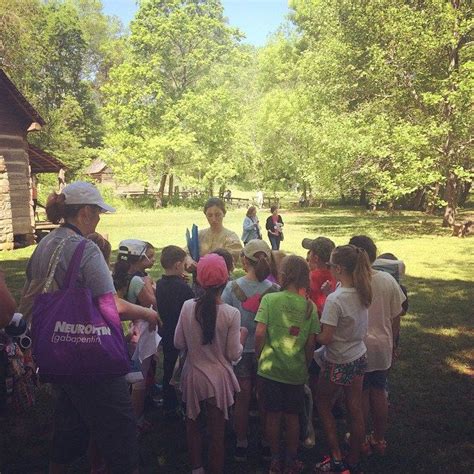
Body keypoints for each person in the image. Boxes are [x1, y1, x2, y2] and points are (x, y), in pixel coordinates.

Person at [22, 181, 159, 474]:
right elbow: (111, 306)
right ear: (84, 212)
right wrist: (147, 314)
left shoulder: (44, 244)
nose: (98, 219)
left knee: (69, 424)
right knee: (122, 434)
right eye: (97, 212)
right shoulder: (87, 250)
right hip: (89, 355)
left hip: (56, 350)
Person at [174, 254, 247, 474]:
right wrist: (242, 337)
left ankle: (197, 468)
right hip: (218, 380)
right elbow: (234, 354)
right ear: (226, 281)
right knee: (218, 434)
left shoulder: (188, 307)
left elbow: (178, 342)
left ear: (197, 281)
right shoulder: (231, 313)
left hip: (193, 376)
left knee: (192, 426)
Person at [255, 255, 320, 474]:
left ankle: (274, 459)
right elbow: (311, 344)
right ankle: (291, 462)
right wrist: (306, 363)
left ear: (283, 276)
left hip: (269, 369)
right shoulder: (309, 307)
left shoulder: (269, 300)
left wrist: (259, 355)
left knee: (272, 415)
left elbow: (260, 333)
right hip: (296, 372)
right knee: (293, 417)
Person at [313, 245, 372, 473]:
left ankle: (336, 455)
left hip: (338, 360)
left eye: (330, 265)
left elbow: (326, 338)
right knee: (354, 407)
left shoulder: (336, 300)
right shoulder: (362, 290)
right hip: (358, 356)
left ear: (338, 268)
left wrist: (312, 331)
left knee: (323, 403)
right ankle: (354, 457)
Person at [348, 236, 406, 456]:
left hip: (357, 347)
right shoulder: (387, 280)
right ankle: (379, 439)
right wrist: (393, 342)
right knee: (379, 390)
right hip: (382, 346)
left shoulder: (349, 282)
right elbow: (396, 316)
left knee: (361, 394)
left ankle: (361, 440)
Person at [222, 239, 277, 463]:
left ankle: (241, 443)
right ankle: (266, 442)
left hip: (240, 351)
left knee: (242, 399)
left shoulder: (231, 287)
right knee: (264, 399)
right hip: (266, 352)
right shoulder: (275, 290)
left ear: (245, 260)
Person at [112, 239, 159, 430]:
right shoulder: (138, 280)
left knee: (127, 375)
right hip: (139, 330)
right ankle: (135, 421)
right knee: (139, 379)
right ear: (140, 258)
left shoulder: (114, 276)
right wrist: (149, 284)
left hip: (122, 330)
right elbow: (152, 303)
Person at [155, 245, 194, 417]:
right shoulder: (183, 289)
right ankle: (180, 401)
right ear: (178, 265)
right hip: (180, 333)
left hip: (166, 331)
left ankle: (168, 401)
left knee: (168, 366)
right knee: (180, 368)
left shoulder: (160, 284)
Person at [185, 197, 242, 270]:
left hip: (221, 279)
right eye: (210, 215)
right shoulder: (200, 235)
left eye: (217, 215)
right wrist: (188, 259)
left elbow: (230, 261)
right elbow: (185, 252)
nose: (214, 219)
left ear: (224, 214)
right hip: (198, 279)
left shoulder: (231, 237)